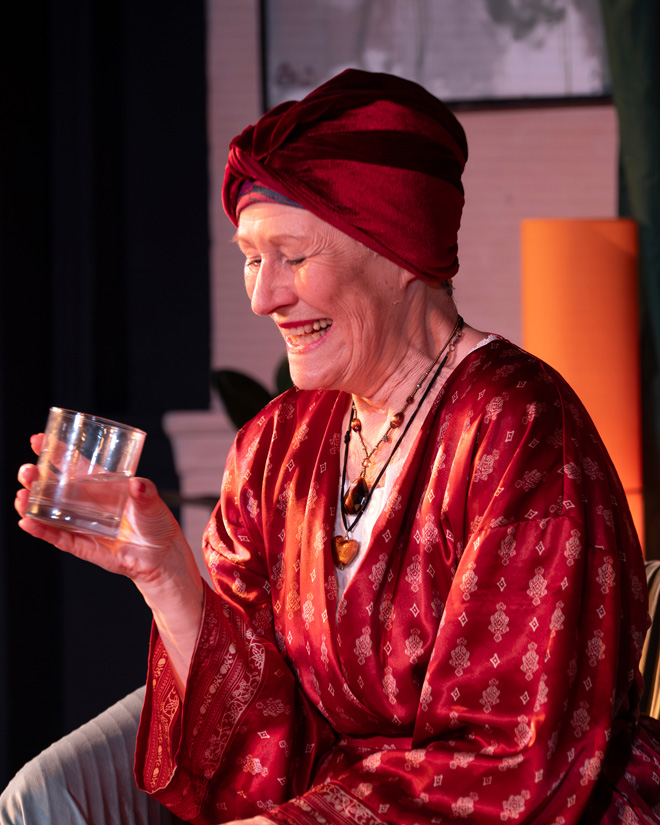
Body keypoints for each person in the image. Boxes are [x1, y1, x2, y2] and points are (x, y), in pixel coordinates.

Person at [4, 68, 660, 824]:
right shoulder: (276, 443)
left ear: (398, 250)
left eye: (293, 257)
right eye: (252, 258)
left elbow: (510, 762)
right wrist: (162, 572)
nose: (263, 296)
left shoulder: (518, 429)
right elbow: (264, 747)